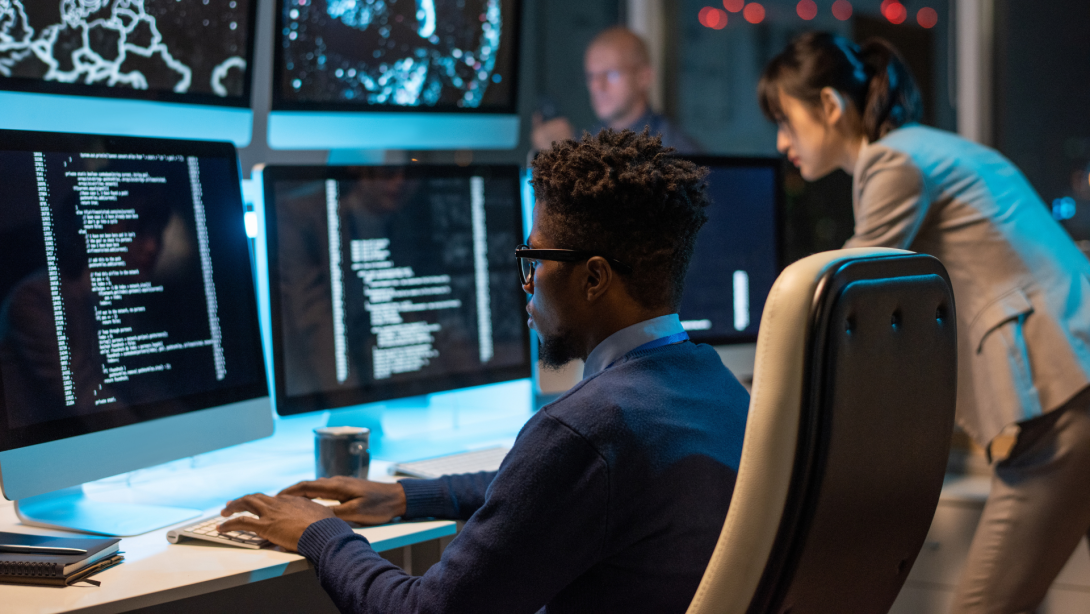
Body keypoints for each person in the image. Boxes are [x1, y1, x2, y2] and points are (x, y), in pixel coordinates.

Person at [217, 129, 749, 613]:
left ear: (593, 278)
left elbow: (423, 611)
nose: (527, 281)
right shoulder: (716, 387)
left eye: (535, 259)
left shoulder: (583, 431)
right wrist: (408, 497)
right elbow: (553, 487)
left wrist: (319, 531)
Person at [758, 31, 1090, 613]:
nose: (783, 142)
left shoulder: (892, 162)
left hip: (1059, 404)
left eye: (785, 121)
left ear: (831, 107)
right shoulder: (931, 147)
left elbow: (844, 301)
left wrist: (773, 393)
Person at [531, 27, 699, 153]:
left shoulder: (674, 152)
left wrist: (571, 157)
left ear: (644, 77)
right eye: (591, 76)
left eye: (611, 74)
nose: (597, 86)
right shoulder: (591, 141)